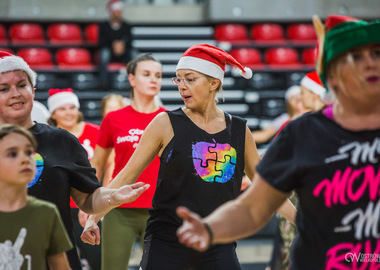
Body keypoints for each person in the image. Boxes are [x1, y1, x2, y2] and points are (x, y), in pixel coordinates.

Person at [176, 15, 380, 269]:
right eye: (357, 56)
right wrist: (210, 229)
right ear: (333, 73)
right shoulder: (302, 133)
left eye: (376, 53)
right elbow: (253, 209)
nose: (371, 63)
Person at [82, 44, 297, 270]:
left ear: (214, 83)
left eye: (190, 79)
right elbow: (126, 175)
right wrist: (93, 218)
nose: (182, 87)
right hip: (167, 243)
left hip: (218, 242)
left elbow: (267, 189)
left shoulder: (240, 131)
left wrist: (303, 221)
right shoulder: (164, 123)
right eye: (178, 80)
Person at [0, 50, 150, 270]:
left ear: (32, 90)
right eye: (3, 89)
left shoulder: (61, 140)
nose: (15, 94)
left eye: (22, 85)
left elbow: (87, 198)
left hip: (55, 259)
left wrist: (112, 196)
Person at [90, 54, 166, 270]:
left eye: (158, 75)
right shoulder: (113, 119)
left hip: (159, 211)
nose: (154, 80)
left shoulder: (170, 119)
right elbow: (97, 164)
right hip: (118, 208)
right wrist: (89, 203)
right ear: (132, 79)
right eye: (147, 74)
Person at [0, 124, 72, 270]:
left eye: (28, 152)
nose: (25, 159)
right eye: (13, 154)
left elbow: (61, 266)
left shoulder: (47, 213)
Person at [47, 88, 101, 270]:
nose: (68, 113)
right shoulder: (47, 137)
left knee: (97, 258)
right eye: (62, 109)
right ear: (53, 113)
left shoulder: (95, 131)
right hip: (57, 205)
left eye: (72, 107)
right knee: (62, 260)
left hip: (87, 205)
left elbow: (108, 165)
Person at [99, 0, 133, 89]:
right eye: (115, 12)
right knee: (104, 54)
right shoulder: (104, 26)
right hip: (110, 52)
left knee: (134, 55)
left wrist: (122, 47)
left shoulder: (127, 26)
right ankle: (103, 82)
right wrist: (113, 46)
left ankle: (133, 81)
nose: (117, 14)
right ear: (111, 12)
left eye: (119, 12)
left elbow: (130, 42)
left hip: (124, 53)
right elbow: (101, 42)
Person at [100, 93, 129, 186]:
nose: (112, 111)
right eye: (109, 107)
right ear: (103, 110)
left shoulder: (125, 136)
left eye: (116, 107)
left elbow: (111, 165)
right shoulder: (98, 132)